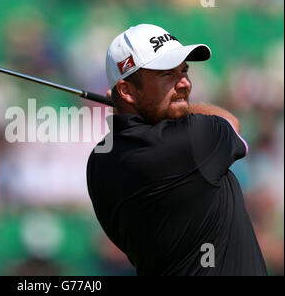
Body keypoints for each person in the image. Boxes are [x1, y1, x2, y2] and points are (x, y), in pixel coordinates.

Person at [86, 24, 267, 276]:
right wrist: (175, 107)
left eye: (184, 71)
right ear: (127, 90)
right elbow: (231, 122)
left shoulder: (99, 161)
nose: (184, 84)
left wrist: (137, 107)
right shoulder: (193, 142)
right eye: (166, 75)